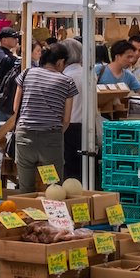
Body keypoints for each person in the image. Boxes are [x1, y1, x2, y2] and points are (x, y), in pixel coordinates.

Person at [5, 44, 77, 193]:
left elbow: (15, 108)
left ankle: (26, 214)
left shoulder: (26, 74)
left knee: (26, 188)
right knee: (53, 188)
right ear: (60, 62)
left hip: (25, 136)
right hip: (50, 139)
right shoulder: (67, 82)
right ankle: (53, 215)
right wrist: (55, 133)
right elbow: (66, 119)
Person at [59, 38, 87, 181]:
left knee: (70, 168)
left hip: (69, 125)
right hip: (86, 125)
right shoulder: (88, 74)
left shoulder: (66, 77)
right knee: (83, 166)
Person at [0, 28, 23, 122]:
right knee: (1, 128)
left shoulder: (3, 53)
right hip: (1, 97)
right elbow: (10, 61)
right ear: (4, 40)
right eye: (14, 37)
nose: (17, 40)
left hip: (7, 96)